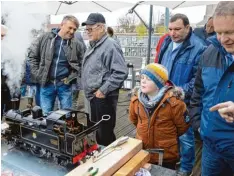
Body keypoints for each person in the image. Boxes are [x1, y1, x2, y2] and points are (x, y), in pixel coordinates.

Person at [157, 14, 207, 176]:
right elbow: (158, 67)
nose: (173, 33)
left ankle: (185, 169)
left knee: (186, 137)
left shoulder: (199, 48)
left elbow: (199, 81)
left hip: (184, 102)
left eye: (177, 29)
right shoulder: (166, 42)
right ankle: (170, 161)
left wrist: (179, 91)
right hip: (163, 98)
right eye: (170, 29)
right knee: (167, 132)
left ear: (187, 27)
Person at [189, 2, 234, 175]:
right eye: (219, 32)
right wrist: (199, 125)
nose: (223, 39)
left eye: (230, 32)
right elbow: (198, 92)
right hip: (211, 147)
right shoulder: (209, 53)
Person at [129, 63, 190, 170]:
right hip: (143, 151)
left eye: (148, 79)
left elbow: (182, 127)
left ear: (159, 83)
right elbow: (134, 119)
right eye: (142, 77)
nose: (143, 81)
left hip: (166, 155)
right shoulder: (136, 100)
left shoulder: (174, 103)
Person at [81, 13, 128, 146]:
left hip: (103, 97)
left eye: (90, 29)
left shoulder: (110, 45)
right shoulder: (94, 44)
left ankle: (111, 161)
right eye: (86, 29)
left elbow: (120, 72)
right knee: (98, 131)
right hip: (94, 97)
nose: (87, 32)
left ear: (101, 28)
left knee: (104, 134)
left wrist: (102, 90)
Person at [28, 15, 85, 115]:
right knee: (46, 115)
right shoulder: (45, 38)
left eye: (74, 29)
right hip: (46, 84)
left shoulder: (77, 44)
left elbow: (83, 64)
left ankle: (65, 131)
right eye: (70, 28)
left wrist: (71, 78)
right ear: (62, 25)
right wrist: (38, 75)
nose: (72, 31)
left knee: (67, 116)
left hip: (64, 85)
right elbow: (32, 56)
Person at [1, 24, 11, 117]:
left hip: (6, 85)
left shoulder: (8, 49)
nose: (3, 38)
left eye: (4, 36)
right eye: (1, 35)